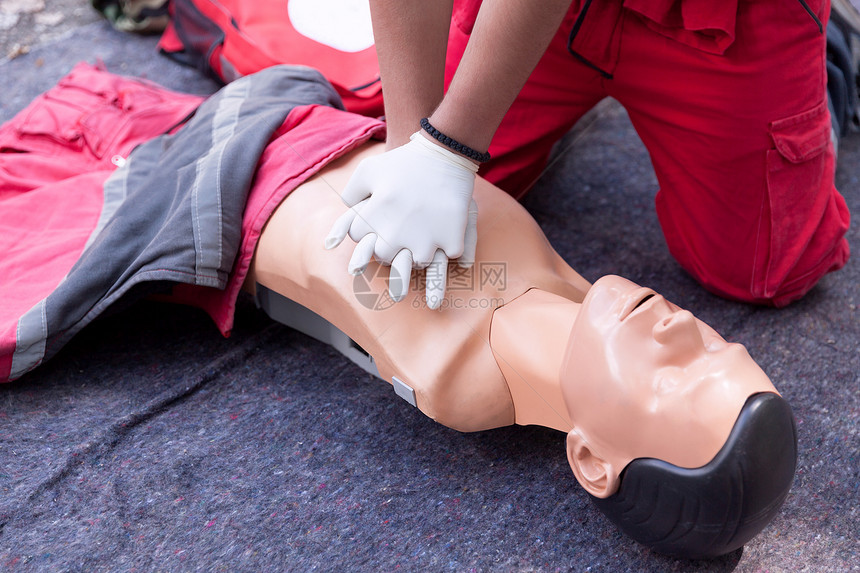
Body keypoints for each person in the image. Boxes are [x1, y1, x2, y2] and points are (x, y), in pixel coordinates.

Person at [251, 138, 797, 558]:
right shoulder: (585, 299)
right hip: (334, 122)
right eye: (716, 345)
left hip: (232, 179)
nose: (681, 328)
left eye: (671, 379)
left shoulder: (447, 367)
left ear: (590, 461)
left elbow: (305, 245)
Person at [327, 0, 851, 309]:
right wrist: (410, 144)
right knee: (422, 231)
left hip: (725, 18)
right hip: (558, 15)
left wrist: (448, 149)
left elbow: (449, 146)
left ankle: (828, 61)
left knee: (765, 273)